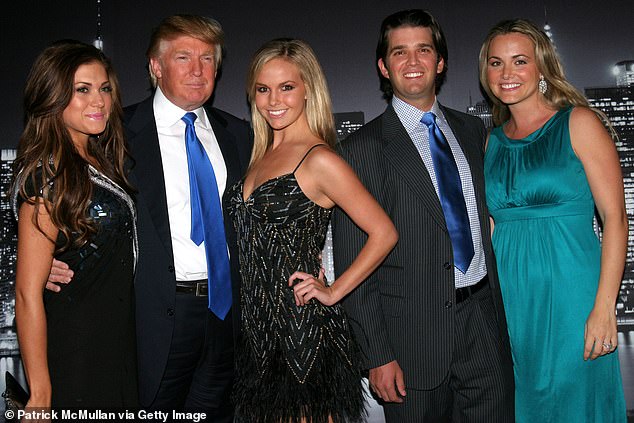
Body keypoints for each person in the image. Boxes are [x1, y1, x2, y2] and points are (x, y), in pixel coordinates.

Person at [48, 15, 252, 418]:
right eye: (183, 57)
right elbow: (56, 190)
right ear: (155, 67)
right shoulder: (112, 130)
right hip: (152, 319)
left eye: (208, 59)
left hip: (227, 316)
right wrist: (45, 258)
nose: (197, 70)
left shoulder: (239, 133)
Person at [333, 9, 515, 422]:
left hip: (484, 322)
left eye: (423, 50)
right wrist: (377, 354)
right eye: (400, 52)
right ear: (384, 66)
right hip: (410, 342)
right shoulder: (361, 149)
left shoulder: (474, 131)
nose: (412, 62)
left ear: (440, 62)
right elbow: (353, 263)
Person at [226, 38, 398, 423]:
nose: (274, 100)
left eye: (286, 87)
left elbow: (384, 232)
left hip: (303, 328)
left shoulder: (319, 158)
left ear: (308, 90)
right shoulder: (260, 154)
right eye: (263, 89)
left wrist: (334, 290)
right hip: (257, 333)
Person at [479, 19, 627, 422]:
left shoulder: (579, 123)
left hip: (572, 294)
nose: (507, 74)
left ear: (542, 67)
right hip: (511, 297)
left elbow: (615, 219)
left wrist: (604, 307)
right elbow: (490, 226)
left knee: (575, 400)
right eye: (496, 63)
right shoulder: (490, 141)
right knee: (526, 401)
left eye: (520, 61)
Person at [12, 40, 137, 409]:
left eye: (104, 89)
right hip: (76, 351)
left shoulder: (99, 159)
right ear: (53, 95)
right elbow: (26, 293)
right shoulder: (47, 174)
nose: (98, 101)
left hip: (113, 344)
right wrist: (40, 396)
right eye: (82, 90)